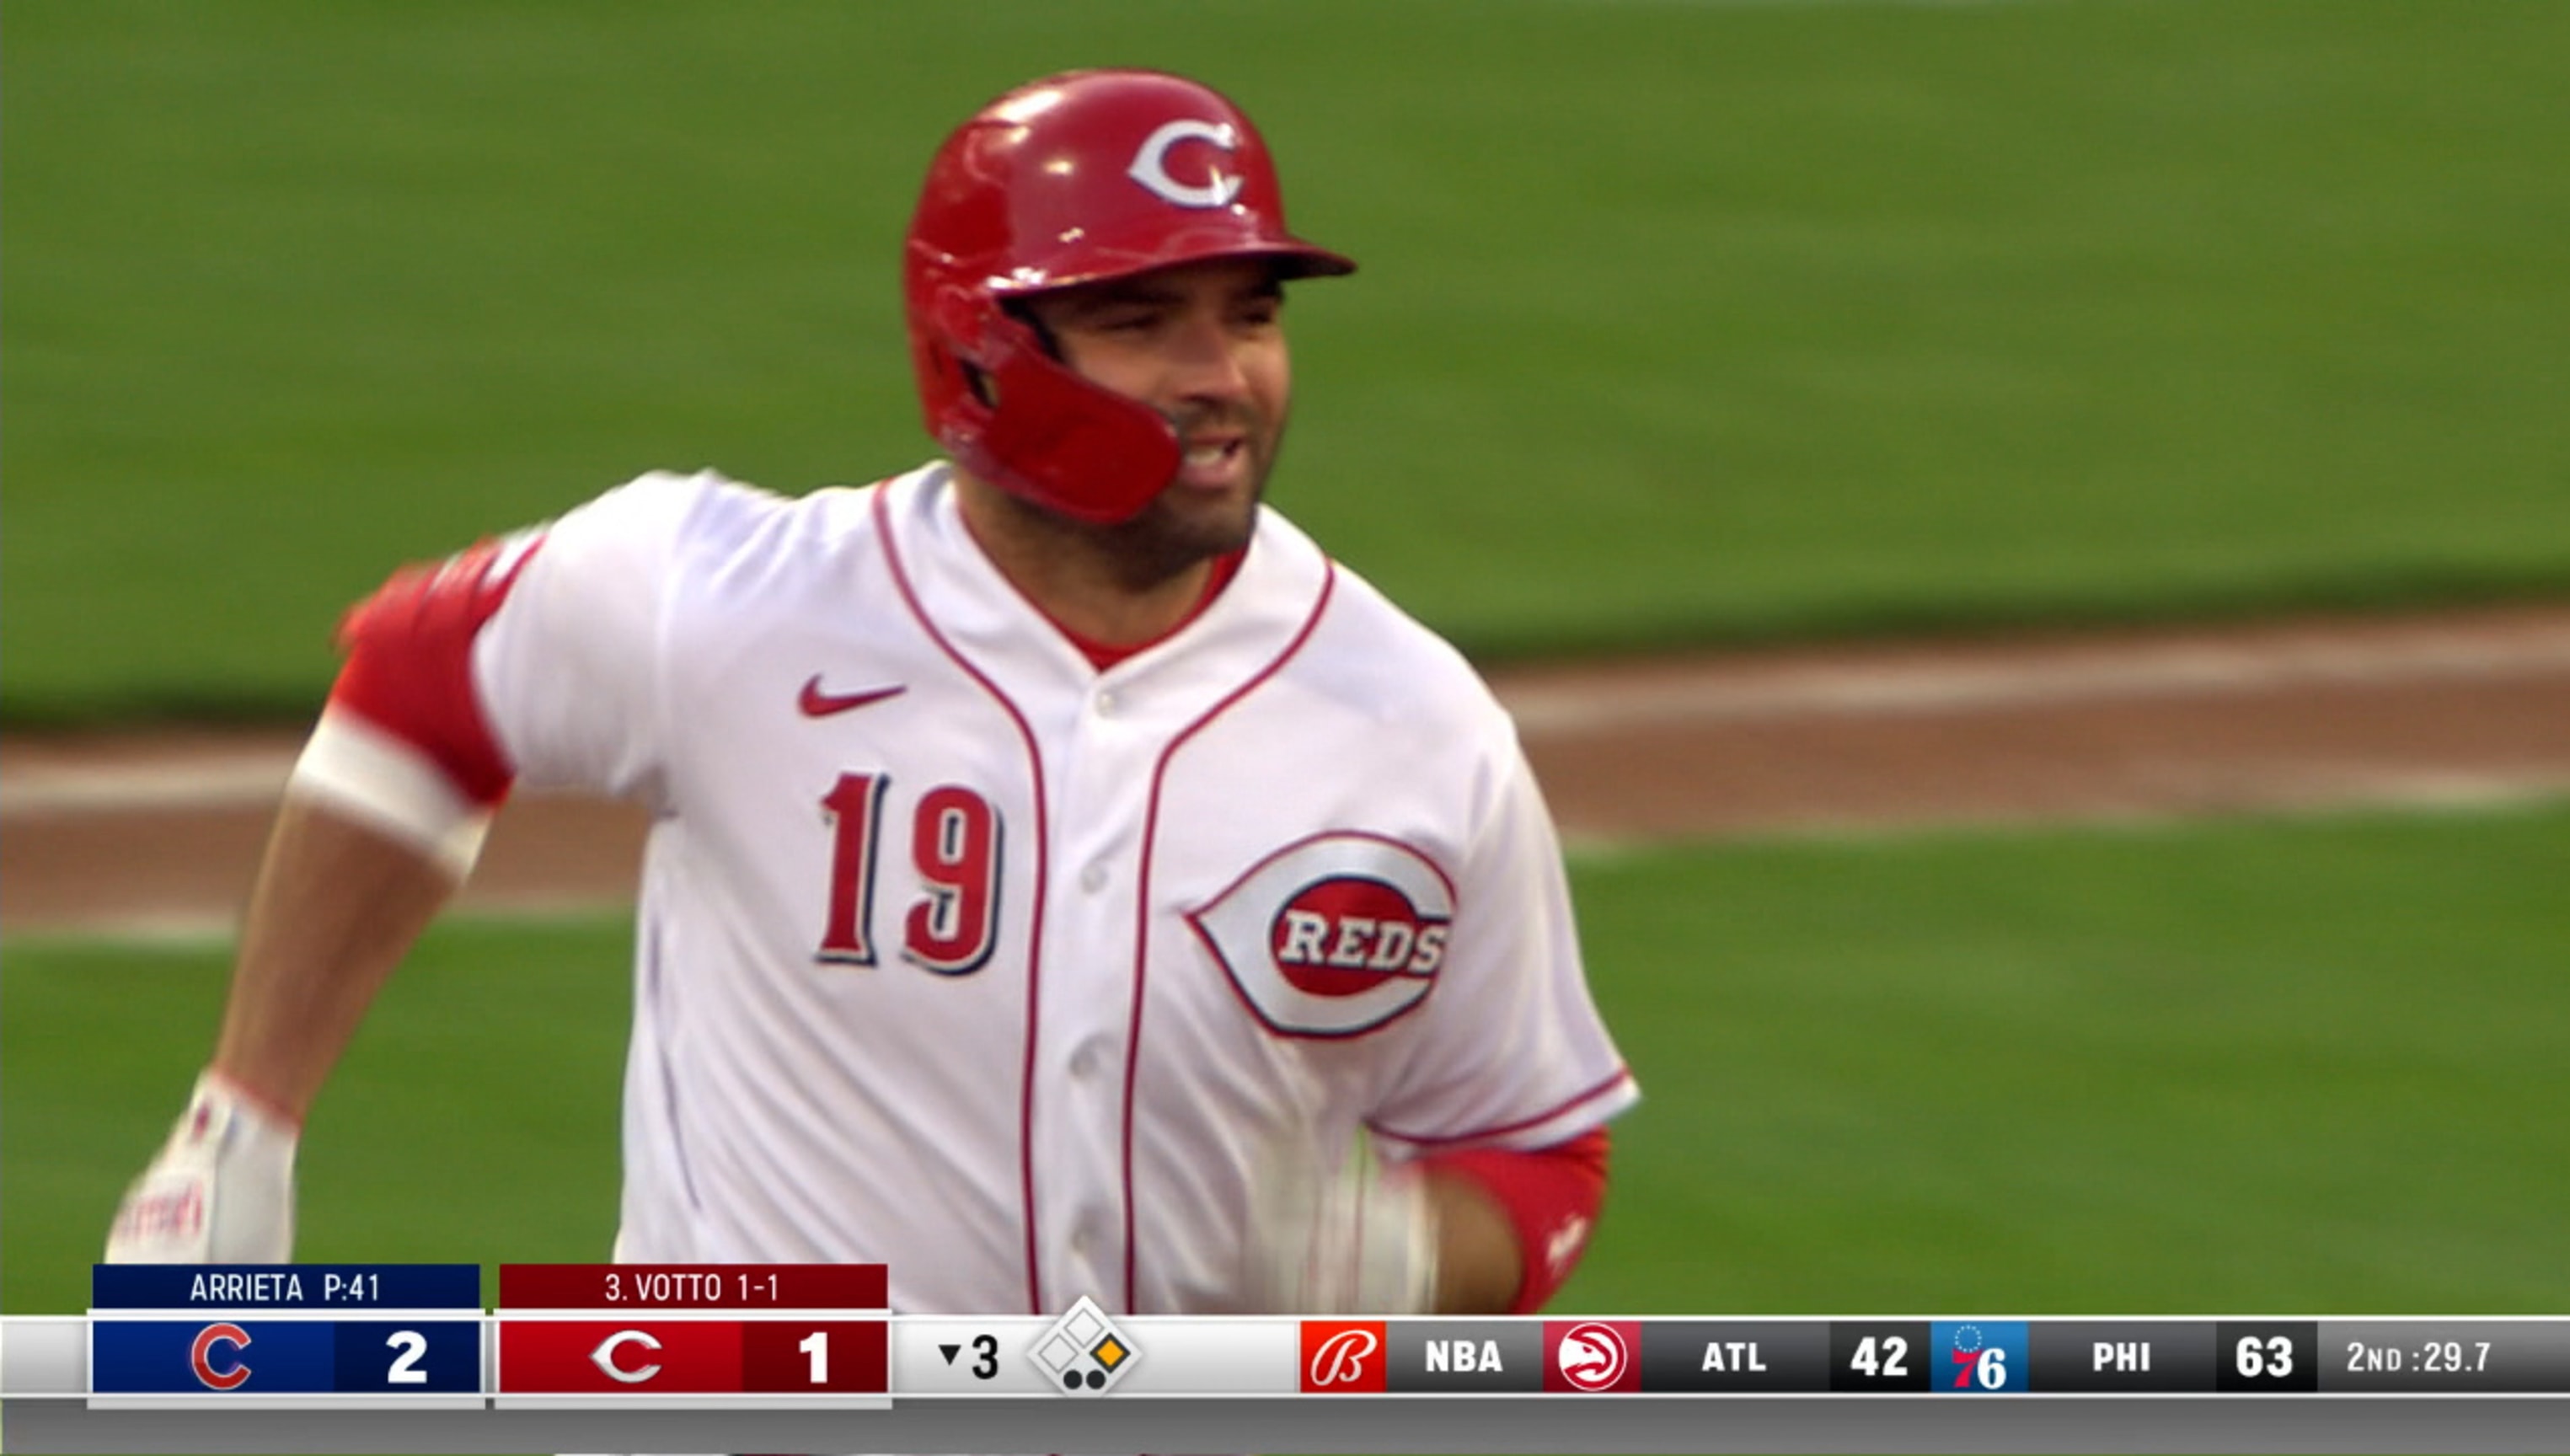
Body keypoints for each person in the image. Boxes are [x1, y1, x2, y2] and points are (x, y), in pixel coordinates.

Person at [106, 67, 1638, 1319]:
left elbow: (1536, 1154)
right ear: (978, 351)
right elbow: (419, 686)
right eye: (1140, 320)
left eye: (1250, 314)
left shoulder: (1415, 729)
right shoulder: (728, 605)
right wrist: (241, 1120)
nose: (1220, 374)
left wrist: (1413, 1259)